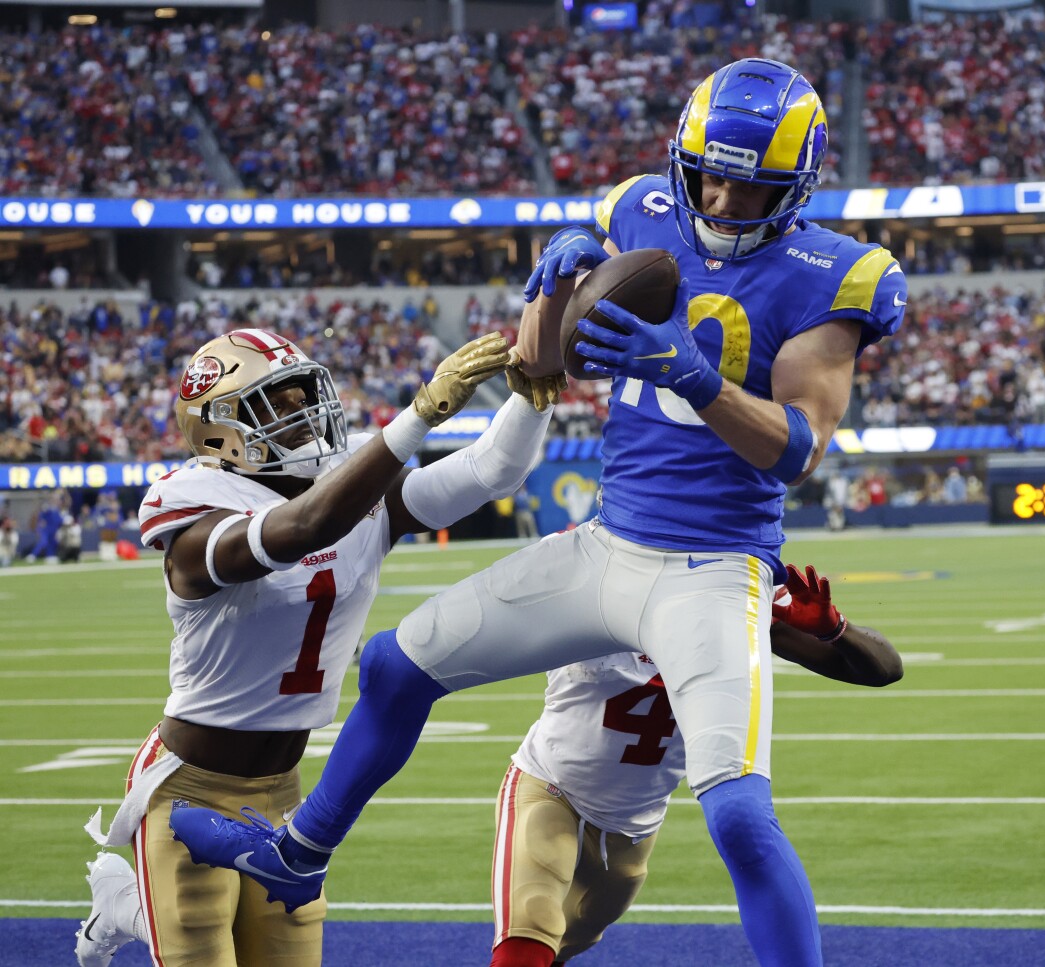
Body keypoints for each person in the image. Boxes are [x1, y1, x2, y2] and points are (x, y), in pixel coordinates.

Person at [170, 58, 905, 967]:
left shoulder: (835, 272)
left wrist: (695, 376)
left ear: (797, 186)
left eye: (746, 185)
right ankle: (298, 853)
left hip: (714, 566)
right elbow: (545, 363)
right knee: (395, 664)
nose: (719, 197)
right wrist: (552, 286)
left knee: (742, 818)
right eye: (707, 175)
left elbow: (795, 448)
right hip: (608, 541)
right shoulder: (639, 208)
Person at [74, 327, 561, 967]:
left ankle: (134, 907)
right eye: (275, 403)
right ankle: (128, 906)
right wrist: (417, 416)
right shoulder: (195, 509)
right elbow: (302, 529)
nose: (301, 413)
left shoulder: (352, 484)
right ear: (219, 430)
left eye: (303, 394)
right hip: (188, 788)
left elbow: (488, 472)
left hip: (284, 794)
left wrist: (531, 401)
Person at [490, 564, 900, 966]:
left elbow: (884, 669)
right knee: (529, 933)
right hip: (551, 788)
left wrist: (834, 629)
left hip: (635, 824)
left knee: (568, 942)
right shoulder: (593, 568)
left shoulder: (734, 586)